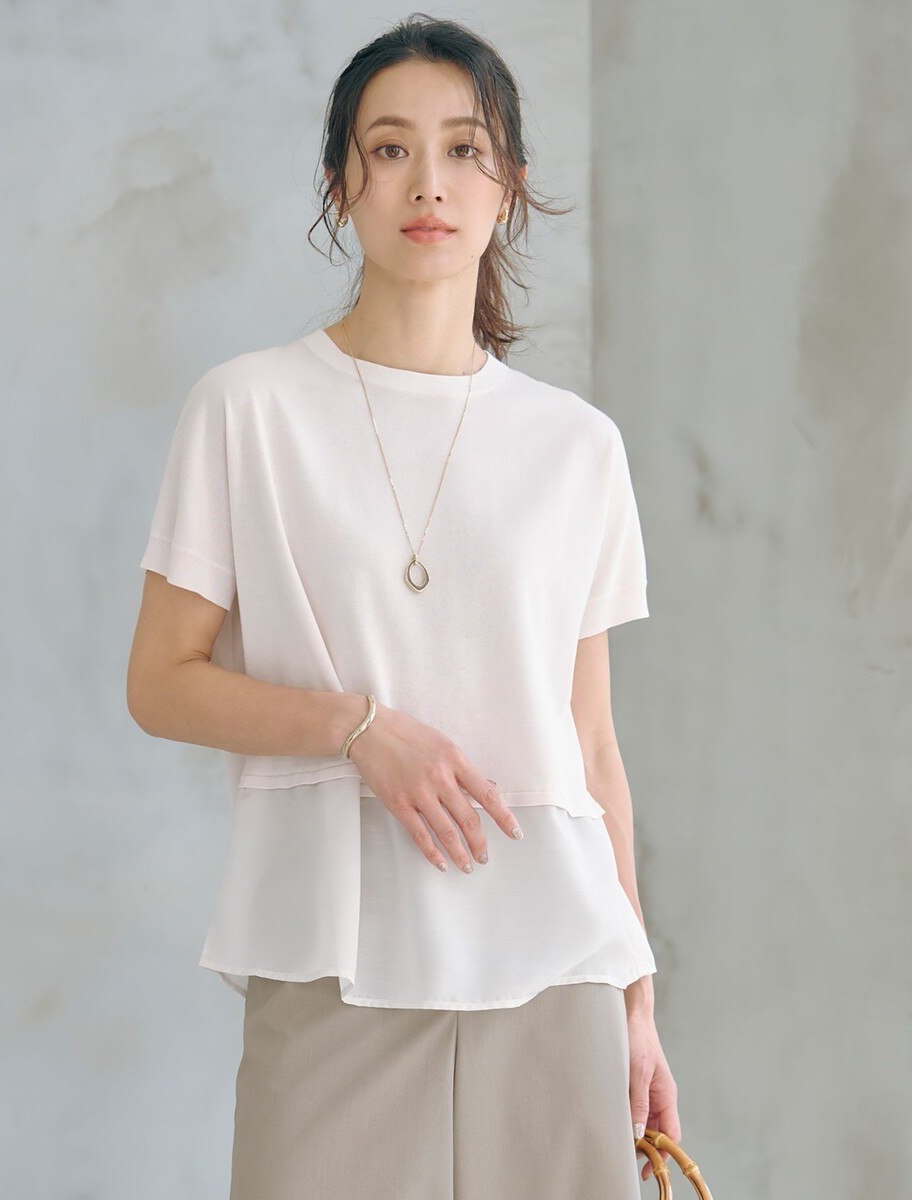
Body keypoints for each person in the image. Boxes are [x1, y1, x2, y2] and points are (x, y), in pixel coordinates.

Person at [127, 13, 680, 1199]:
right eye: (389, 149)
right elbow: (160, 683)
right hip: (333, 956)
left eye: (464, 149)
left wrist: (637, 1003)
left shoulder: (577, 446)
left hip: (556, 969)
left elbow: (591, 748)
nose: (428, 182)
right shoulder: (249, 410)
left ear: (507, 186)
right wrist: (358, 729)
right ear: (343, 183)